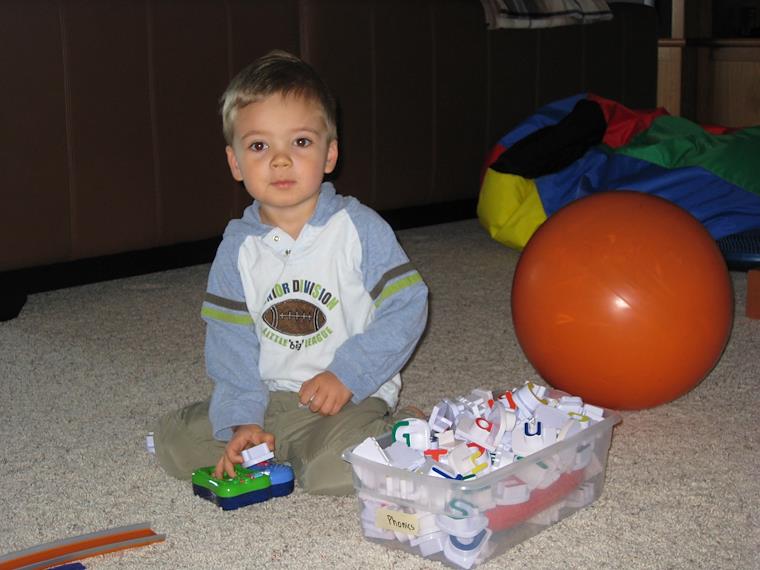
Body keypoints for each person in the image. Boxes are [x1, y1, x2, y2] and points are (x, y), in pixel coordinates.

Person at [152, 50, 428, 495]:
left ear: (329, 153)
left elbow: (408, 304)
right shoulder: (237, 249)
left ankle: (402, 430)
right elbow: (230, 342)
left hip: (349, 395)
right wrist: (242, 420)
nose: (280, 161)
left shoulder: (358, 228)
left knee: (331, 474)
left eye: (300, 142)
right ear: (235, 163)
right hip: (269, 398)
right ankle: (279, 447)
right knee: (175, 444)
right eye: (260, 146)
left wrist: (348, 374)